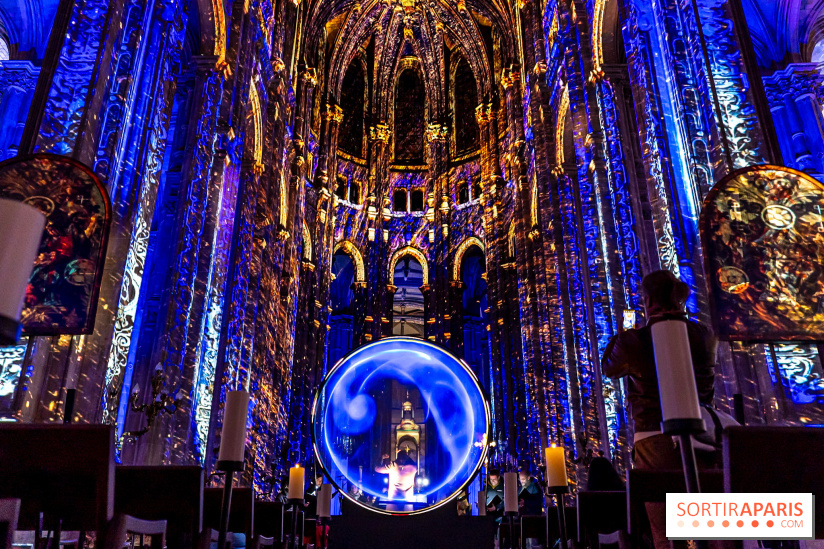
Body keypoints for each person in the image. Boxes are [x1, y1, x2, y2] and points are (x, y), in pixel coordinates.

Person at [602, 270, 720, 549]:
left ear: (646, 300)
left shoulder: (633, 341)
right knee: (711, 522)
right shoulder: (703, 334)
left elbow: (609, 366)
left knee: (664, 527)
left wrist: (624, 331)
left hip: (654, 438)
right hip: (702, 435)